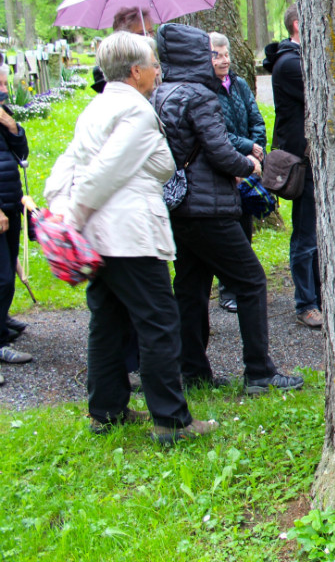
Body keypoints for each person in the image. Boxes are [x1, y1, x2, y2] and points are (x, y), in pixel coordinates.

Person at [44, 32, 214, 444]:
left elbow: (72, 163)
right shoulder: (135, 112)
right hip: (129, 236)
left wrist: (62, 205)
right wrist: (70, 217)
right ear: (136, 71)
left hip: (100, 237)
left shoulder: (96, 107)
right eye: (154, 64)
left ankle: (107, 410)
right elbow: (105, 172)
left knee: (108, 321)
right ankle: (172, 421)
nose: (159, 70)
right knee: (158, 323)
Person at [155, 22, 303, 396]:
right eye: (209, 52)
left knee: (190, 288)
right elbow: (218, 149)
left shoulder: (162, 93)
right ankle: (259, 371)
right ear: (195, 56)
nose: (216, 59)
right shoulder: (199, 96)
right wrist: (248, 166)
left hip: (180, 206)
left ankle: (193, 370)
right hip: (210, 207)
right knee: (251, 281)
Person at [264, 5, 322, 328]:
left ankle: (317, 296)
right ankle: (305, 303)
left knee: (314, 233)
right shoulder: (289, 64)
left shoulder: (297, 60)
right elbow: (322, 91)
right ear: (298, 25)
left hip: (312, 160)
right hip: (301, 162)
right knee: (304, 235)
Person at [210, 32, 267, 313]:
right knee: (228, 233)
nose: (224, 60)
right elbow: (218, 132)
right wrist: (248, 146)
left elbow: (256, 118)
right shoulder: (208, 90)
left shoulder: (240, 84)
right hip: (226, 167)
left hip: (247, 167)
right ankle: (227, 289)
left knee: (245, 227)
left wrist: (256, 146)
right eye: (217, 54)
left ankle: (242, 287)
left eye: (226, 54)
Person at [0, 66, 30, 365]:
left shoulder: (3, 112)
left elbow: (22, 155)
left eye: (6, 83)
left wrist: (12, 127)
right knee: (3, 277)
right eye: (0, 84)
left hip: (10, 202)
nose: (5, 89)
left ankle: (3, 318)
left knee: (7, 271)